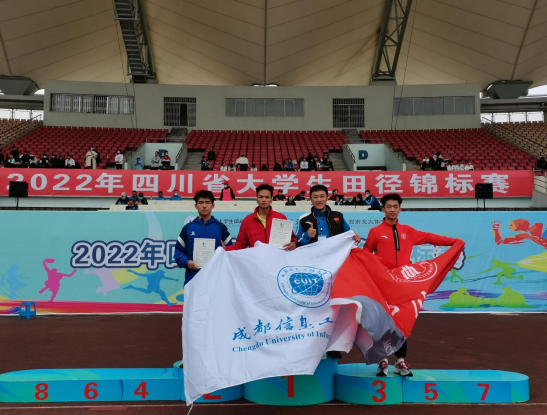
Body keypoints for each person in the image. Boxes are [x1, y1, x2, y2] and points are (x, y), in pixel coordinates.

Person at [363, 193, 461, 377]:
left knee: (403, 321)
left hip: (404, 284)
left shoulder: (408, 231)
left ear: (400, 209)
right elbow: (366, 255)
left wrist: (454, 242)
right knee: (382, 321)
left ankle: (400, 361)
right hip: (382, 284)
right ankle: (382, 360)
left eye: (395, 206)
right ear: (382, 209)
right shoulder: (375, 232)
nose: (392, 210)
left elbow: (430, 237)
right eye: (389, 206)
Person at [295, 184, 361, 360]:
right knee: (313, 308)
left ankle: (332, 346)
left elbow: (350, 235)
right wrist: (307, 236)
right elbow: (296, 243)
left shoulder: (338, 216)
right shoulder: (303, 219)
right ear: (310, 199)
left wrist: (355, 238)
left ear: (327, 197)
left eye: (322, 196)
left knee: (333, 307)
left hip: (335, 269)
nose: (319, 200)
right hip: (313, 271)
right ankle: (311, 345)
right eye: (315, 197)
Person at [174, 189, 233, 286]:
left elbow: (231, 251)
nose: (204, 206)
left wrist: (226, 251)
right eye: (201, 203)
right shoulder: (188, 228)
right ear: (195, 206)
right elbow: (178, 251)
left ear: (213, 205)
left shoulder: (221, 228)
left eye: (207, 202)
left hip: (216, 279)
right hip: (192, 278)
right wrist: (187, 262)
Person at [226, 184, 297, 251]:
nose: (264, 200)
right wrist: (225, 249)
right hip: (255, 259)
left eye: (267, 197)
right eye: (261, 197)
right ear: (257, 199)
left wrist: (294, 244)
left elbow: (292, 240)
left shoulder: (281, 218)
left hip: (277, 258)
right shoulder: (247, 220)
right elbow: (240, 245)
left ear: (271, 200)